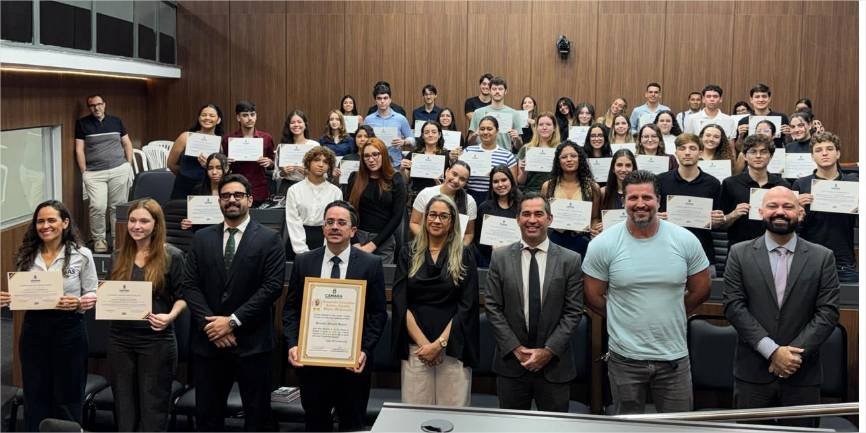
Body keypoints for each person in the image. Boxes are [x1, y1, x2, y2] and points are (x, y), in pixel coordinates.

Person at [583, 170, 711, 414]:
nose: (640, 204)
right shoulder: (603, 244)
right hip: (624, 359)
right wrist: (625, 319)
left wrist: (670, 312)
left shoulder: (685, 240)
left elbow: (701, 290)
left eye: (647, 197)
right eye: (633, 198)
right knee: (627, 429)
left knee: (678, 429)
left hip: (674, 358)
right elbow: (592, 296)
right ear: (623, 202)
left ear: (659, 201)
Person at [722, 186, 839, 429]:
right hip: (752, 374)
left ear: (800, 212)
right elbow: (734, 307)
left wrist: (792, 356)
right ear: (761, 211)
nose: (780, 212)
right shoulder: (739, 253)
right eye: (773, 206)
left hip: (802, 375)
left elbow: (827, 313)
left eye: (788, 206)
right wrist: (773, 352)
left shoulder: (823, 257)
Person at [181, 174, 286, 431]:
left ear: (250, 200)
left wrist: (232, 322)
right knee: (207, 415)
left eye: (238, 195)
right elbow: (190, 286)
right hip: (209, 344)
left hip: (252, 343)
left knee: (257, 415)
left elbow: (271, 288)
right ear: (219, 201)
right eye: (226, 196)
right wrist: (212, 327)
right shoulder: (202, 238)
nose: (232, 200)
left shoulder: (269, 239)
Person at [284, 201, 387, 432]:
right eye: (329, 222)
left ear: (353, 231)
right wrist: (293, 344)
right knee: (315, 424)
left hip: (353, 366)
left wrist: (364, 350)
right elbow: (291, 309)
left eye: (342, 223)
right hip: (312, 366)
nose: (334, 227)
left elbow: (377, 314)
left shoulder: (371, 264)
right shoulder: (304, 261)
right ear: (322, 228)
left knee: (352, 425)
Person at [484, 192, 584, 412]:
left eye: (539, 214)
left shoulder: (570, 260)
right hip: (511, 365)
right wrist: (516, 349)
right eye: (526, 214)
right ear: (518, 219)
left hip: (554, 366)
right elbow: (492, 307)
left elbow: (573, 312)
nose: (532, 219)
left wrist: (548, 351)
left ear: (550, 219)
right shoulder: (499, 258)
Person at [13, 200, 98, 432]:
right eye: (40, 221)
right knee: (35, 390)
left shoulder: (82, 254)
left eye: (51, 220)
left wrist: (80, 301)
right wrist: (9, 298)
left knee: (68, 393)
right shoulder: (26, 255)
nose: (45, 225)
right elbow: (22, 292)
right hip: (34, 328)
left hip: (69, 327)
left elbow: (92, 292)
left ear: (65, 222)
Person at [392, 194, 479, 406]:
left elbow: (467, 306)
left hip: (453, 347)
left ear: (452, 222)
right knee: (414, 419)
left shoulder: (464, 254)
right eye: (432, 215)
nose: (436, 221)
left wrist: (439, 344)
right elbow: (401, 302)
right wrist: (426, 346)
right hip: (417, 349)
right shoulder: (408, 253)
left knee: (453, 418)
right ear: (424, 218)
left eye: (443, 216)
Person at [107, 199, 186, 431]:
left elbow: (183, 297)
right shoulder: (118, 255)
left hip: (156, 340)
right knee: (124, 407)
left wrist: (171, 316)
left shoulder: (172, 255)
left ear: (156, 224)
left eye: (144, 220)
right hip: (120, 339)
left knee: (153, 408)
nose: (136, 226)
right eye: (132, 220)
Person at [792, 132, 858, 283]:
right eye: (818, 150)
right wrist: (797, 208)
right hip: (808, 259)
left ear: (838, 153)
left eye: (829, 149)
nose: (824, 153)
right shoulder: (800, 184)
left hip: (843, 260)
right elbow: (793, 227)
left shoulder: (853, 183)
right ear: (812, 156)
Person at [657, 133, 725, 276]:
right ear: (676, 153)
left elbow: (717, 222)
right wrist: (655, 217)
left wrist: (717, 220)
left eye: (692, 148)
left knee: (705, 297)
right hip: (666, 254)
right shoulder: (660, 180)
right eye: (682, 148)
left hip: (702, 254)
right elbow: (651, 216)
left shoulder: (713, 183)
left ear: (700, 152)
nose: (687, 152)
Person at [74, 94, 134, 253]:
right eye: (92, 105)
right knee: (98, 206)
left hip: (118, 170)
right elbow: (79, 149)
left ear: (104, 105)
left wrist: (128, 165)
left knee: (118, 207)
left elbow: (127, 143)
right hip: (94, 173)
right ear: (89, 107)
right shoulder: (82, 124)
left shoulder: (116, 121)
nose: (96, 108)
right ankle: (99, 240)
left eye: (99, 104)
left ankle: (118, 239)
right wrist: (84, 172)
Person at [719, 134, 791, 248]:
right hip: (739, 249)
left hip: (775, 248)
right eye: (753, 152)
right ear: (745, 156)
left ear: (771, 156)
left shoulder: (783, 185)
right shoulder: (730, 184)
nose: (758, 156)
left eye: (763, 152)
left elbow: (789, 223)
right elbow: (720, 224)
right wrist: (733, 215)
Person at [346, 137, 407, 264]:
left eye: (375, 154)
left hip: (383, 240)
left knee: (381, 282)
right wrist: (355, 242)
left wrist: (372, 245)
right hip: (357, 237)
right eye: (366, 156)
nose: (371, 159)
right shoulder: (355, 178)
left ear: (383, 154)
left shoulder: (396, 179)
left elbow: (397, 217)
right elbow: (347, 212)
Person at [540, 142, 602, 257]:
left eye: (573, 156)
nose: (569, 159)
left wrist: (595, 228)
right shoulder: (548, 186)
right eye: (564, 157)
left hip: (581, 241)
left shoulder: (592, 187)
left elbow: (594, 217)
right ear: (558, 161)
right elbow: (543, 215)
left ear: (580, 159)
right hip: (554, 240)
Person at [285, 146, 343, 259]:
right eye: (316, 160)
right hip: (296, 238)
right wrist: (301, 251)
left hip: (324, 238)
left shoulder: (336, 192)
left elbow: (334, 222)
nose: (321, 165)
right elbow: (293, 221)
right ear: (308, 163)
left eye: (325, 162)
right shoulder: (294, 190)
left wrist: (328, 248)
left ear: (329, 166)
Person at [221, 100, 275, 206]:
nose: (250, 118)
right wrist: (225, 162)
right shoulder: (228, 139)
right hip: (235, 188)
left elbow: (273, 163)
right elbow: (222, 167)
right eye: (245, 115)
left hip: (259, 188)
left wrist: (270, 162)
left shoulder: (267, 138)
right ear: (238, 118)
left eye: (252, 114)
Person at [411, 161, 476, 246]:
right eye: (454, 174)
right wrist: (431, 244)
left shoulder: (469, 201)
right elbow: (414, 223)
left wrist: (460, 249)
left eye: (462, 179)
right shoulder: (426, 193)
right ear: (447, 171)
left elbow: (468, 234)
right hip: (426, 246)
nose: (456, 180)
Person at [168, 103, 224, 200]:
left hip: (206, 188)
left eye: (212, 116)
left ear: (218, 120)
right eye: (203, 115)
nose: (207, 118)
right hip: (183, 186)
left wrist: (208, 167)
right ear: (199, 118)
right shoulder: (185, 137)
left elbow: (220, 170)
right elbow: (171, 164)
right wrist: (185, 174)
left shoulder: (219, 143)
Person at [460, 115, 518, 206]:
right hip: (469, 197)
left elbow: (513, 184)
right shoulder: (468, 151)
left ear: (497, 131)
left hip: (497, 199)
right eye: (482, 129)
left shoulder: (507, 155)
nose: (485, 132)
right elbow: (460, 176)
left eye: (489, 129)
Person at [475, 165, 521, 267]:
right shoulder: (484, 208)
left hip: (517, 260)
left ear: (511, 181)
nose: (500, 184)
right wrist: (490, 245)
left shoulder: (522, 206)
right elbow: (477, 239)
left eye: (504, 180)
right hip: (490, 261)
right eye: (495, 182)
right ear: (491, 185)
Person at [364, 83, 414, 170]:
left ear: (390, 100)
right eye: (379, 98)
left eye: (385, 98)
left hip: (395, 164)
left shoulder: (400, 118)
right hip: (374, 164)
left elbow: (413, 140)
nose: (382, 101)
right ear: (375, 100)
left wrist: (404, 142)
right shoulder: (368, 120)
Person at [467, 77, 523, 152]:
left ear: (505, 91)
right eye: (494, 89)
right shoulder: (478, 112)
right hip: (482, 154)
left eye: (500, 89)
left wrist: (517, 139)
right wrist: (475, 135)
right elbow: (470, 143)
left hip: (504, 155)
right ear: (489, 91)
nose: (497, 91)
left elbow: (519, 146)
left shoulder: (514, 114)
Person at [401, 121, 452, 201]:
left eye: (434, 132)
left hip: (439, 196)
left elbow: (450, 180)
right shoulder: (414, 154)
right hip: (417, 195)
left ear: (439, 135)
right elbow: (405, 180)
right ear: (422, 136)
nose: (430, 135)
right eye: (426, 132)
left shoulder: (446, 155)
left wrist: (441, 184)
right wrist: (402, 169)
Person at [180, 152, 230, 231]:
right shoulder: (198, 190)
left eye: (219, 168)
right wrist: (187, 223)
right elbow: (194, 220)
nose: (214, 172)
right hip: (202, 235)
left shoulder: (232, 190)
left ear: (226, 169)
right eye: (210, 168)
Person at [735, 84, 790, 149]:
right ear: (751, 100)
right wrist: (740, 137)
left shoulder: (782, 117)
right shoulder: (743, 121)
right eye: (757, 97)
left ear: (769, 99)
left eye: (764, 96)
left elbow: (789, 144)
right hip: (753, 157)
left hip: (777, 156)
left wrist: (788, 135)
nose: (761, 100)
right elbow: (739, 148)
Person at [276, 109, 320, 190]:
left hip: (309, 185)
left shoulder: (314, 146)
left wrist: (309, 173)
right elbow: (276, 175)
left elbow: (322, 172)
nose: (296, 125)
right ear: (288, 126)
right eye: (292, 122)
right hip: (287, 186)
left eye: (299, 122)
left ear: (305, 124)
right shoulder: (282, 147)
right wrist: (283, 172)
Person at [517, 112, 559, 193]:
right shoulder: (526, 148)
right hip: (530, 193)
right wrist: (524, 172)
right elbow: (520, 181)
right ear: (536, 128)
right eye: (541, 124)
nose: (544, 127)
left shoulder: (560, 149)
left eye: (548, 124)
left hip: (554, 192)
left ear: (554, 128)